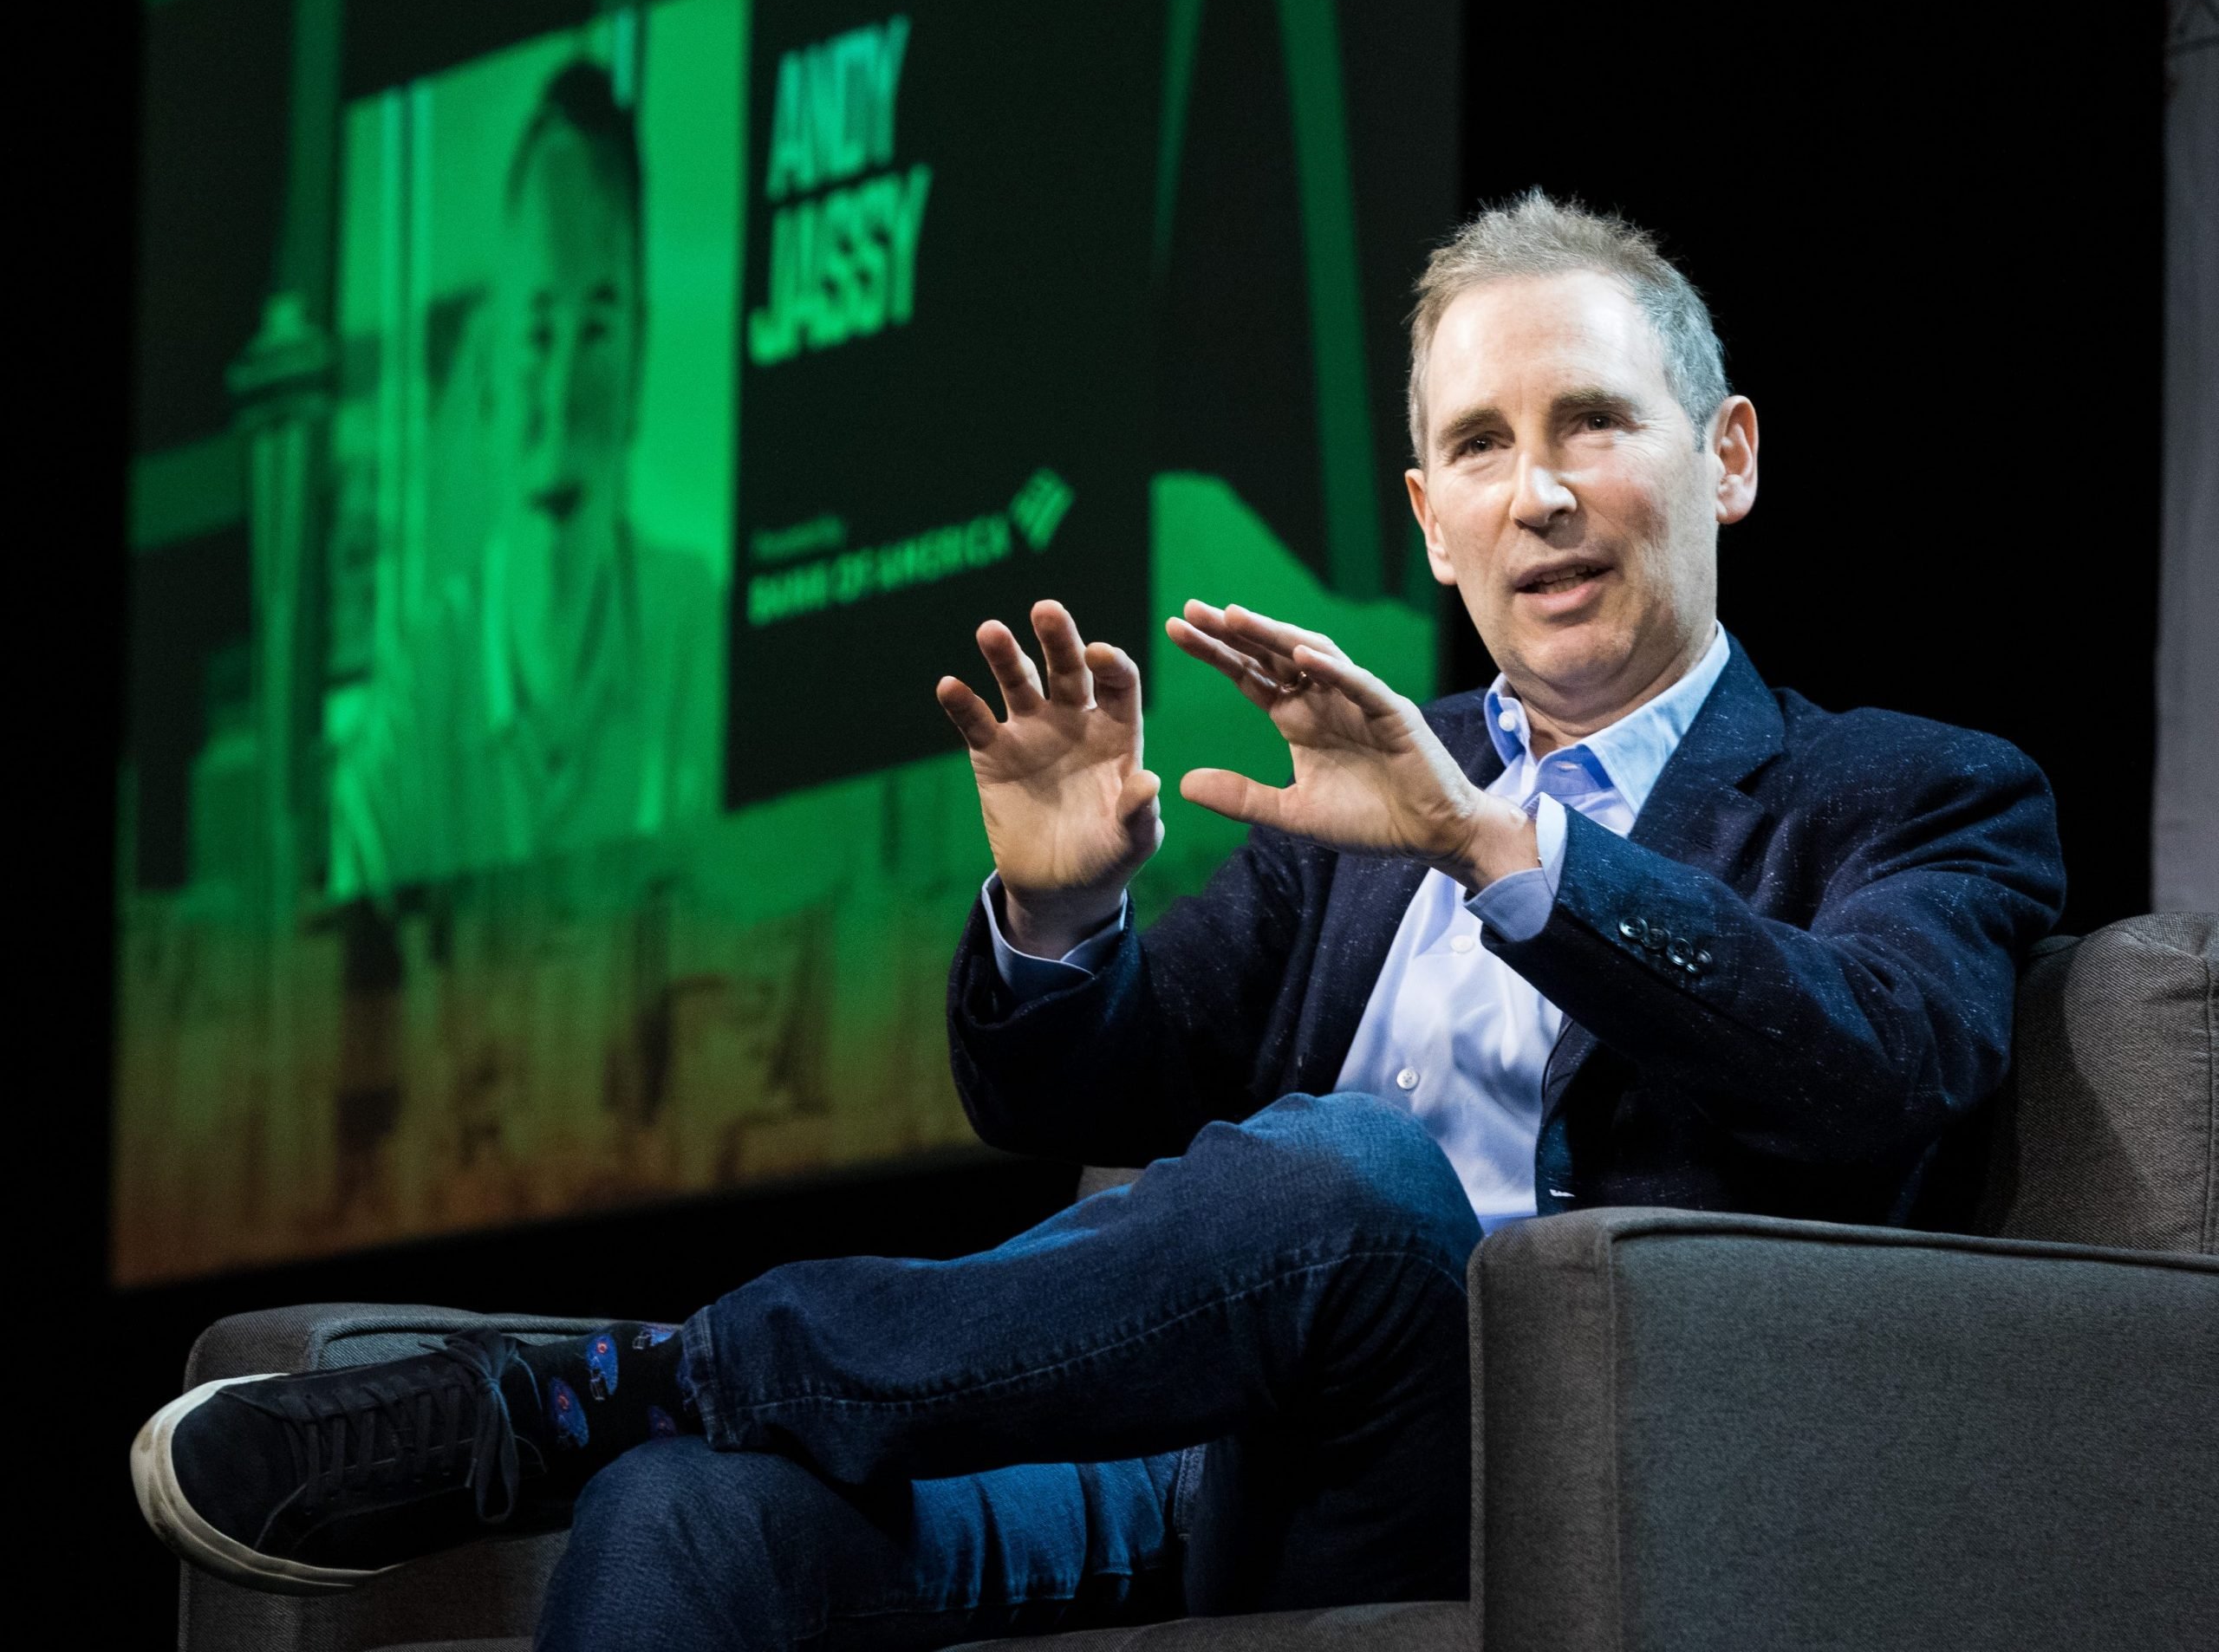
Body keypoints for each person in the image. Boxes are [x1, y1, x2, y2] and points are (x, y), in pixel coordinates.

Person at [131, 192, 2066, 1647]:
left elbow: (1872, 1063)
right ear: (1422, 516)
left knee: (1351, 1177)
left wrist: (1503, 854)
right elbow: (1098, 1088)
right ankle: (631, 1414)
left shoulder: (1907, 790)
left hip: (1512, 1478)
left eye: (1595, 425)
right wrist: (1059, 920)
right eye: (1479, 446)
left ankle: (575, 1387)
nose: (1539, 491)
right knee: (688, 1513)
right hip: (1183, 1465)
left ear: (1721, 456)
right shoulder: (1361, 805)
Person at [328, 61, 719, 895]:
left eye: (599, 326)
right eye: (540, 332)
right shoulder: (418, 693)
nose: (568, 381)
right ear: (487, 383)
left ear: (641, 357)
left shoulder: (696, 636)